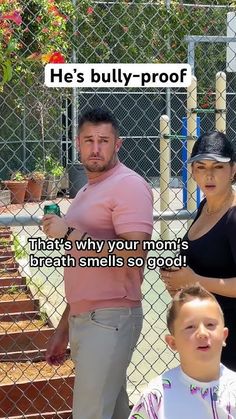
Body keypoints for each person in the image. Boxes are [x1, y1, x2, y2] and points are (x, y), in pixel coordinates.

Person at [42, 108, 153, 419]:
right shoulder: (88, 191)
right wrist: (63, 329)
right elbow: (83, 267)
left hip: (109, 319)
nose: (95, 148)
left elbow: (135, 254)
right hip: (85, 319)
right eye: (88, 140)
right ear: (78, 143)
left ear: (118, 144)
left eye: (103, 140)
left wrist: (71, 233)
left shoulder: (128, 185)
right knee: (112, 412)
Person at [160, 130, 236, 370]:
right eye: (201, 167)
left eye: (218, 167)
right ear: (192, 172)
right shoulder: (205, 207)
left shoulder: (233, 216)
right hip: (207, 339)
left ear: (233, 170)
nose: (209, 175)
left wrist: (195, 281)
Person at [129, 284, 236, 419]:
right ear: (172, 343)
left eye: (210, 325)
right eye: (190, 327)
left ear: (224, 336)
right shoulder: (156, 396)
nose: (202, 333)